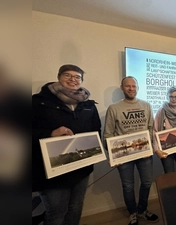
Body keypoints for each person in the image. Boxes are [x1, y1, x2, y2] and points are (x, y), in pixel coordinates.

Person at [32, 64, 101, 225]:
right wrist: (50, 133)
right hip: (51, 170)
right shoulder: (38, 102)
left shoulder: (88, 104)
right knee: (56, 212)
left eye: (77, 77)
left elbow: (96, 130)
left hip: (81, 167)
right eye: (67, 75)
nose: (73, 79)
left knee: (76, 207)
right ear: (58, 77)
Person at [103, 76, 159, 225]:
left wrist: (152, 147)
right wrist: (112, 155)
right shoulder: (113, 108)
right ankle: (132, 212)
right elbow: (108, 133)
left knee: (147, 182)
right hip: (123, 155)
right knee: (128, 186)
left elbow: (150, 128)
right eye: (127, 86)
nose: (131, 89)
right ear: (122, 88)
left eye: (133, 86)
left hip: (144, 153)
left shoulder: (146, 105)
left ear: (137, 88)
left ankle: (142, 210)